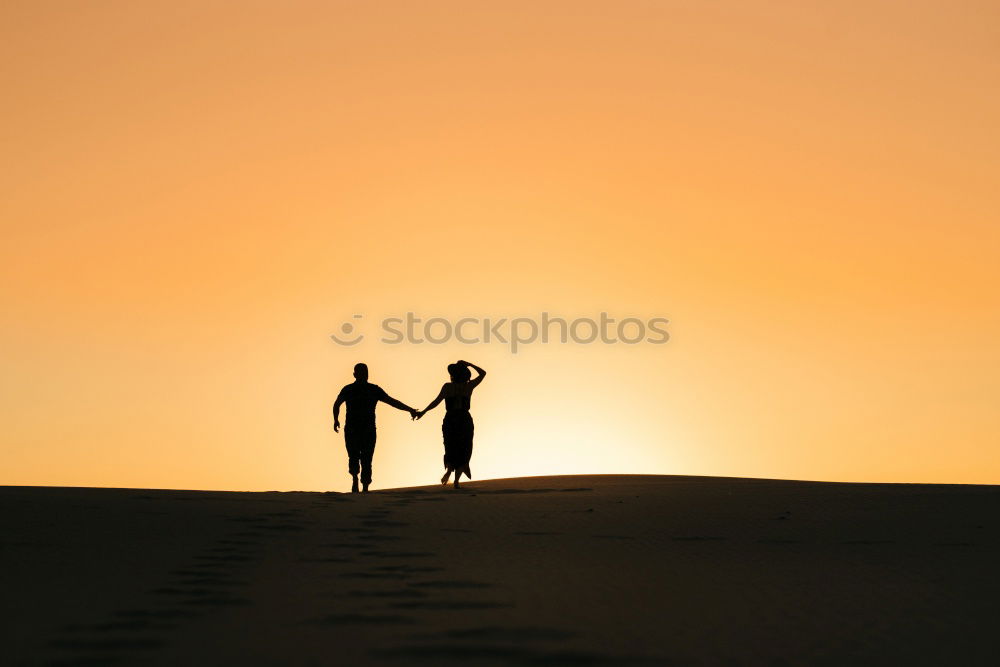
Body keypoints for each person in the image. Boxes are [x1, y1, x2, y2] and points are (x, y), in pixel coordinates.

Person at [333, 363, 417, 493]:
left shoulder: (359, 389)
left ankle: (361, 483)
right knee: (360, 457)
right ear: (356, 374)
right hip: (358, 429)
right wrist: (335, 419)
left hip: (361, 429)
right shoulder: (364, 389)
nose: (363, 375)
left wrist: (409, 409)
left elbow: (337, 404)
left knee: (361, 457)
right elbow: (337, 404)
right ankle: (359, 482)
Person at [415, 360, 486, 488]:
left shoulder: (448, 387)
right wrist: (470, 364)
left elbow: (436, 401)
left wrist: (423, 412)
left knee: (450, 446)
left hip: (451, 419)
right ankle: (456, 481)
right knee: (464, 448)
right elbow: (483, 373)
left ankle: (449, 470)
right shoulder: (468, 386)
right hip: (463, 419)